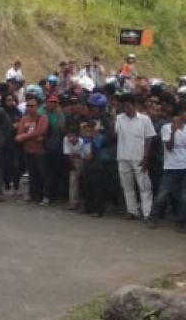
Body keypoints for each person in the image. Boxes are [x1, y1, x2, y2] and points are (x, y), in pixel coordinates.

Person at [115, 93, 156, 221]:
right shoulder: (119, 118)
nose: (125, 110)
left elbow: (149, 138)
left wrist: (146, 157)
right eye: (123, 107)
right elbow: (114, 133)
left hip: (139, 157)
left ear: (134, 105)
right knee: (127, 185)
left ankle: (147, 213)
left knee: (144, 186)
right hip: (123, 156)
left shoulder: (145, 119)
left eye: (127, 106)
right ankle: (132, 211)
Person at [150, 105, 186, 232]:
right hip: (170, 167)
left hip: (184, 167)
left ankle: (180, 222)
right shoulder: (166, 128)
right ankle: (153, 218)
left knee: (184, 197)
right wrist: (173, 132)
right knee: (162, 195)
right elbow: (169, 147)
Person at [15, 95, 49, 204]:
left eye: (32, 106)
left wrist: (25, 136)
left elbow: (39, 131)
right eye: (28, 106)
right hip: (28, 151)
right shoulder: (24, 119)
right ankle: (33, 195)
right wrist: (30, 137)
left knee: (43, 174)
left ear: (38, 107)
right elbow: (18, 134)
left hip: (40, 152)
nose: (29, 108)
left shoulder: (42, 118)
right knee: (32, 174)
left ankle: (45, 196)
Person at [79, 120, 106, 218]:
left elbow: (98, 145)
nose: (88, 133)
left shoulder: (98, 138)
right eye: (87, 131)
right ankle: (88, 207)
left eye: (90, 131)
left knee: (96, 188)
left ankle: (98, 210)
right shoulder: (85, 139)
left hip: (96, 166)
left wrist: (94, 134)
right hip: (87, 165)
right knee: (87, 187)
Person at [1, 92, 25, 192]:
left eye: (12, 100)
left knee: (17, 165)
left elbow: (22, 123)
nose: (11, 102)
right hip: (4, 144)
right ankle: (7, 184)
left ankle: (16, 185)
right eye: (8, 100)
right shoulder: (1, 112)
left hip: (16, 143)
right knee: (5, 165)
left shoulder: (18, 112)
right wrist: (11, 126)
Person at [63, 124, 87, 211]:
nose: (71, 139)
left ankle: (85, 203)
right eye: (69, 136)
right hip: (73, 162)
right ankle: (73, 202)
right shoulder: (65, 139)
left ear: (77, 136)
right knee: (73, 181)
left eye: (73, 136)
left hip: (84, 162)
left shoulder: (82, 141)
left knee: (85, 183)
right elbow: (68, 155)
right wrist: (73, 167)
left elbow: (84, 156)